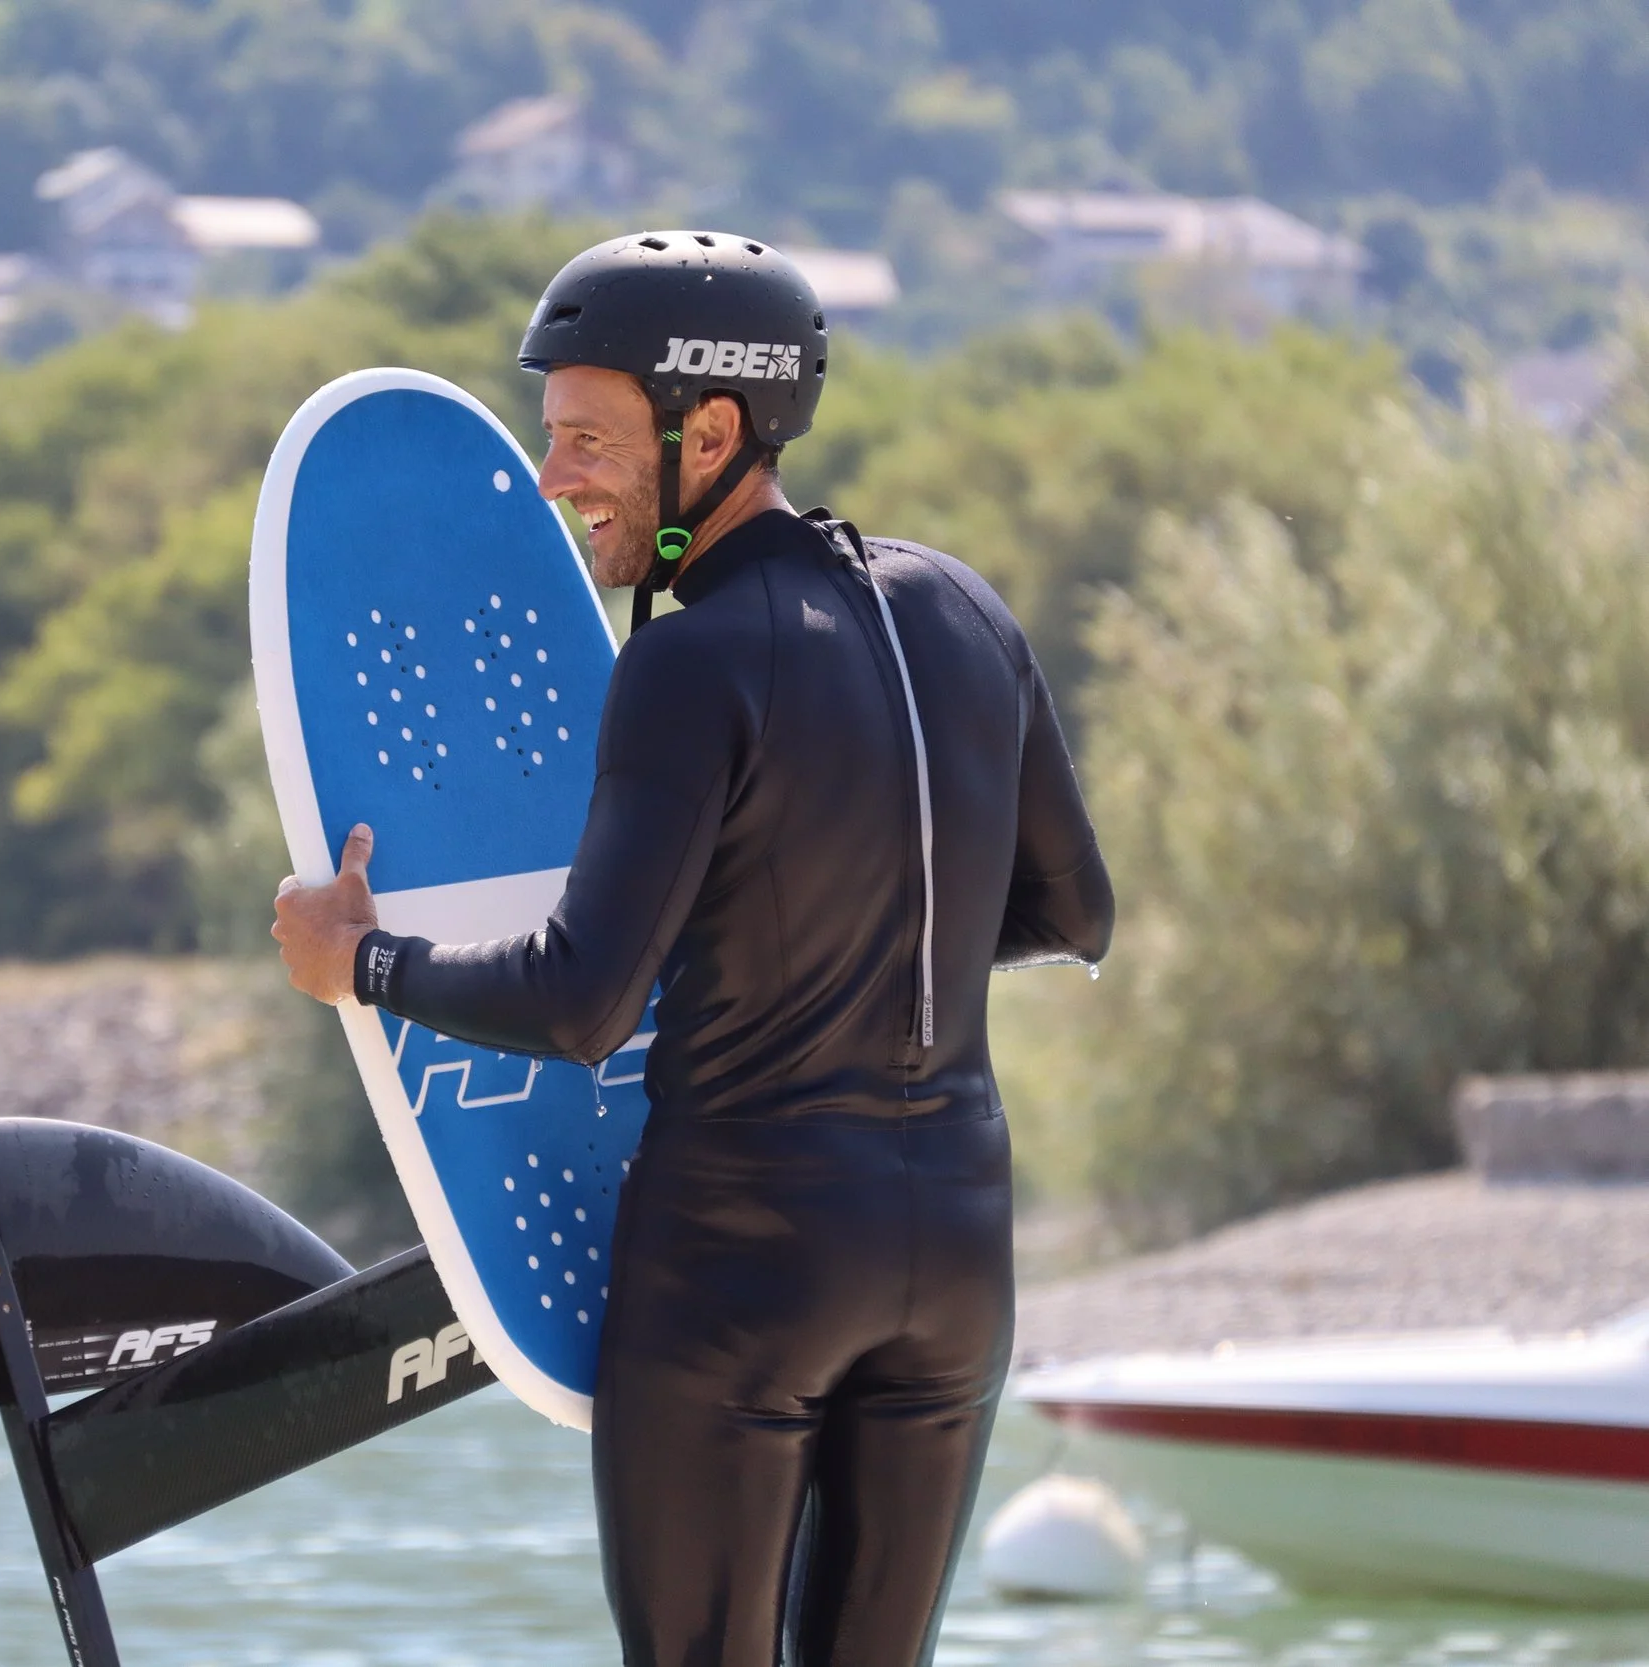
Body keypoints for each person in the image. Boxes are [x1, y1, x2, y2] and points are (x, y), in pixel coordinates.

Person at [273, 231, 1114, 1667]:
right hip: (957, 1258)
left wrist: (359, 961)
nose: (556, 479)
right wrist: (853, 954)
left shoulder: (691, 659)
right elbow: (1072, 913)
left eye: (590, 440)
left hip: (745, 1266)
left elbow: (581, 1000)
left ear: (710, 432)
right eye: (553, 437)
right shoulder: (966, 610)